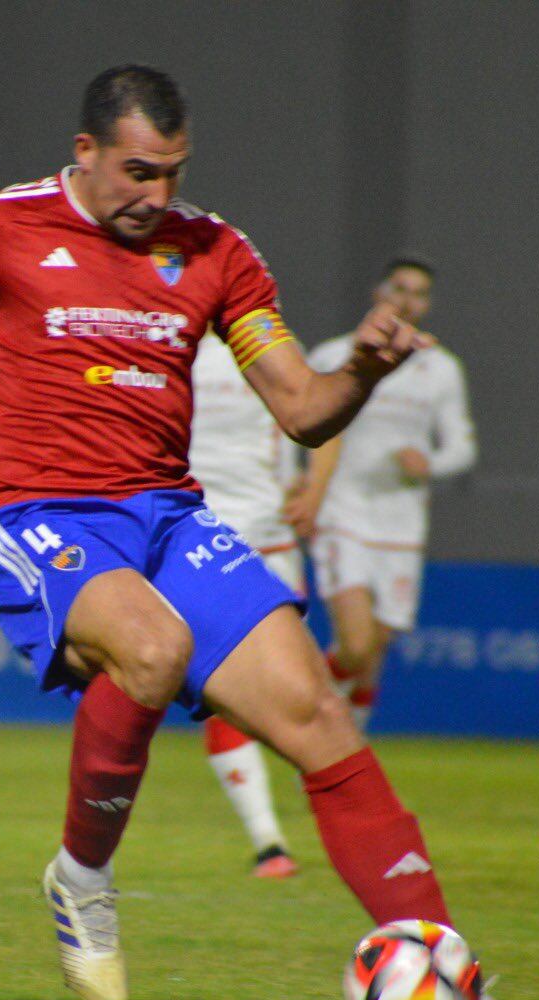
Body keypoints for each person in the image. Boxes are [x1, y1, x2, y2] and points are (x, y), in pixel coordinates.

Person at [0, 65, 539, 1000]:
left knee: (319, 712)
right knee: (149, 647)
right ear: (86, 154)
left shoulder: (217, 250)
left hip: (167, 519)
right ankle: (82, 874)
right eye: (139, 173)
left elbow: (302, 407)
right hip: (37, 514)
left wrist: (360, 367)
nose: (158, 196)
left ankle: (449, 971)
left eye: (173, 173)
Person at [292, 258, 477, 728]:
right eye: (399, 287)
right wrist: (303, 483)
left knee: (372, 652)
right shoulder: (334, 356)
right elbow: (298, 424)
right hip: (344, 512)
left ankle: (343, 753)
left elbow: (463, 446)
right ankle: (302, 717)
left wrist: (430, 464)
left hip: (402, 522)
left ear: (428, 304)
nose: (407, 299)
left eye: (418, 292)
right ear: (379, 292)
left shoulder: (440, 369)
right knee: (354, 645)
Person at [187, 331, 308, 878]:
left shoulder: (270, 349)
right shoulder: (174, 343)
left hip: (274, 534)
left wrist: (311, 490)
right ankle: (269, 842)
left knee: (300, 691)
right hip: (208, 537)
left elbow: (309, 423)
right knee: (226, 692)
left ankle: (322, 816)